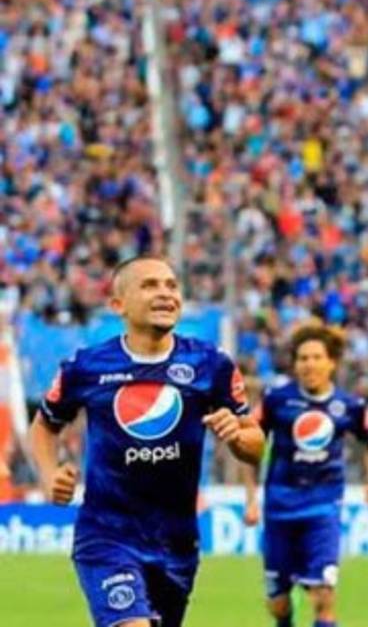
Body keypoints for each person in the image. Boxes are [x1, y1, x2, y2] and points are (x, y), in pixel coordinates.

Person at [29, 255, 264, 627]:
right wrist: (48, 473)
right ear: (118, 305)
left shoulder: (211, 364)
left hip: (176, 542)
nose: (165, 294)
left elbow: (255, 444)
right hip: (107, 534)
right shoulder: (86, 367)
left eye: (172, 285)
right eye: (150, 285)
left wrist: (237, 437)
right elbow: (44, 425)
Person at [242, 322, 368, 627]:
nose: (309, 364)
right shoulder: (276, 400)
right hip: (279, 507)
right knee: (278, 604)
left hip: (323, 507)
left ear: (331, 362)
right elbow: (249, 448)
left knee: (323, 595)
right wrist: (251, 498)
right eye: (303, 358)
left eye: (316, 357)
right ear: (295, 364)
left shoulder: (349, 405)